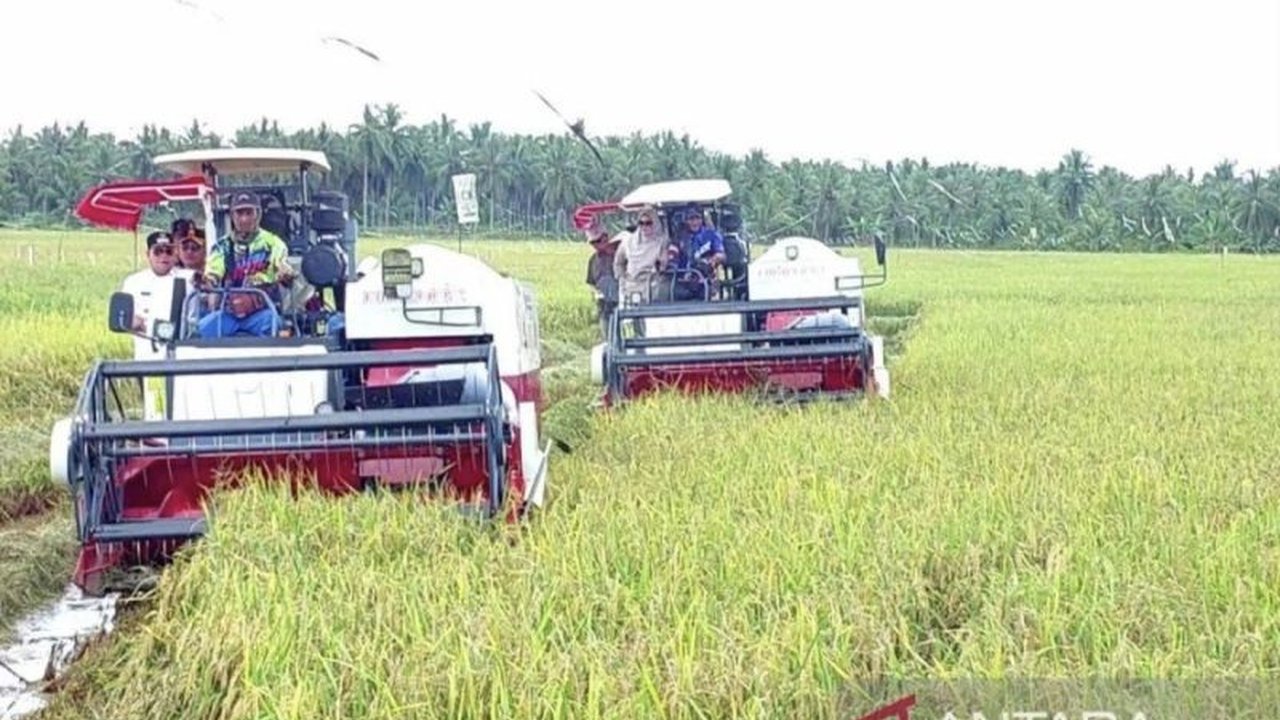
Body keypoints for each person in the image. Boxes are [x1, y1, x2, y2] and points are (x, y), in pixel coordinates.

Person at [117, 231, 195, 419]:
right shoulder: (133, 282)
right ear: (148, 254)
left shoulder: (189, 279)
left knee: (184, 411)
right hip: (148, 358)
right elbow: (127, 318)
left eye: (168, 251)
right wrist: (140, 323)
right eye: (158, 251)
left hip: (183, 356)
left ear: (176, 253)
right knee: (154, 412)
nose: (163, 257)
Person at [198, 192, 293, 338]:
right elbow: (213, 274)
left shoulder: (274, 244)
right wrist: (205, 281)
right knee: (201, 330)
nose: (244, 219)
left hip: (263, 312)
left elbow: (282, 265)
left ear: (259, 214)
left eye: (249, 213)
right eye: (239, 213)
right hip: (229, 313)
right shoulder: (222, 246)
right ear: (232, 216)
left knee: (273, 326)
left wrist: (285, 273)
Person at [612, 206, 670, 306]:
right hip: (629, 285)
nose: (644, 227)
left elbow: (663, 267)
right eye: (641, 223)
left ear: (655, 223)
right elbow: (618, 263)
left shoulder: (662, 242)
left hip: (652, 286)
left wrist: (662, 264)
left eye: (648, 223)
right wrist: (621, 278)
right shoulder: (628, 241)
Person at [667, 204, 726, 301]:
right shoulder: (679, 237)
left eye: (697, 218)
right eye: (691, 219)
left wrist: (712, 260)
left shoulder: (711, 235)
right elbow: (672, 254)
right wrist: (670, 262)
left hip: (706, 281)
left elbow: (721, 254)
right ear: (686, 220)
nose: (695, 222)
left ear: (702, 219)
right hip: (682, 282)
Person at [584, 228, 621, 340]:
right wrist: (596, 293)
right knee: (608, 332)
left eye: (599, 240)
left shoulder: (620, 254)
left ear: (606, 237)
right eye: (593, 242)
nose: (596, 245)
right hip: (604, 303)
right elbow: (591, 282)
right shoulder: (593, 260)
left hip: (622, 299)